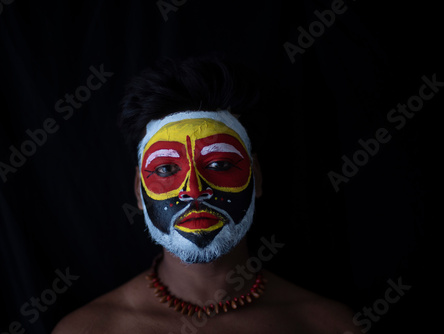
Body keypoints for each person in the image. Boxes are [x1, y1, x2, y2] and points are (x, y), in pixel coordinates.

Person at [53, 55, 363, 334]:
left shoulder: (330, 325)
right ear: (138, 189)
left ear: (257, 177)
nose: (194, 191)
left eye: (220, 164)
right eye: (165, 170)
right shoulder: (87, 329)